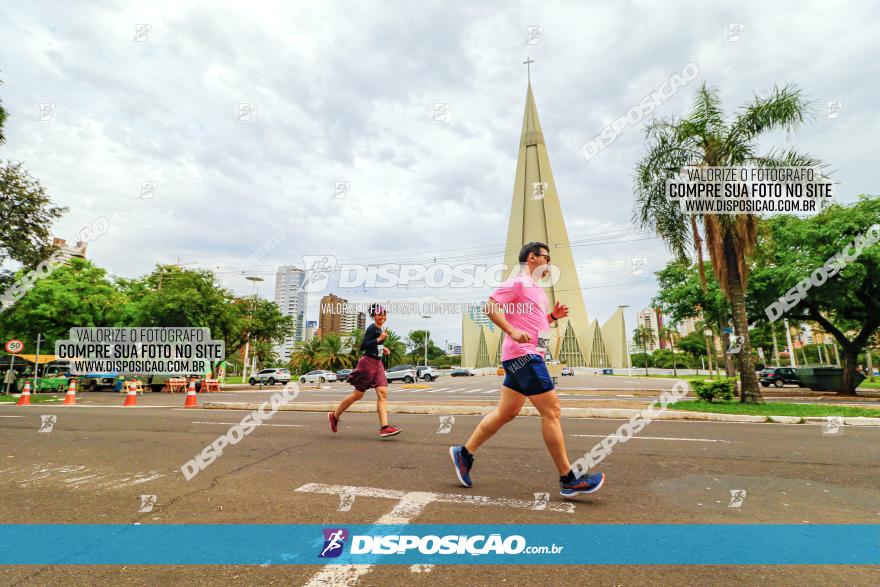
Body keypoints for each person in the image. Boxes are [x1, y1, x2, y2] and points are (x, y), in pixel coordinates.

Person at [449, 242, 605, 497]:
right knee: (552, 410)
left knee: (506, 412)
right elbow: (490, 307)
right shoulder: (518, 282)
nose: (549, 263)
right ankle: (568, 478)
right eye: (546, 257)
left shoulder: (537, 291)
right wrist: (511, 330)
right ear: (531, 258)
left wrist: (552, 318)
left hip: (525, 356)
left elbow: (533, 325)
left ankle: (464, 454)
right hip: (524, 356)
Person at [328, 304, 401, 438]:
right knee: (358, 395)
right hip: (367, 364)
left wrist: (382, 347)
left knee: (382, 392)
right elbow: (363, 346)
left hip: (378, 364)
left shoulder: (379, 328)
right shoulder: (372, 328)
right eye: (379, 314)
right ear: (374, 316)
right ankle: (334, 415)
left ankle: (385, 427)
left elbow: (373, 344)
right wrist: (379, 340)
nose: (383, 317)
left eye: (384, 314)